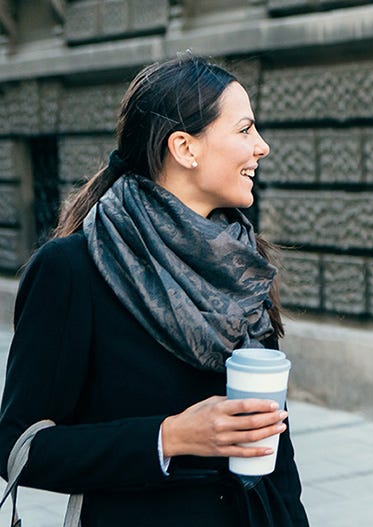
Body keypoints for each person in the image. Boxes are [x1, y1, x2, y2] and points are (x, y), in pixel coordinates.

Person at [0, 56, 309, 526]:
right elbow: (18, 447)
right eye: (244, 130)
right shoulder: (72, 269)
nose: (261, 147)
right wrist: (168, 438)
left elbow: (278, 454)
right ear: (185, 147)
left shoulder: (242, 265)